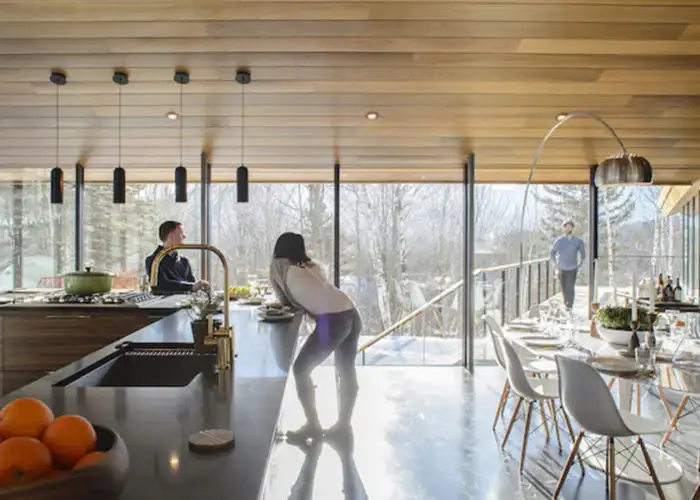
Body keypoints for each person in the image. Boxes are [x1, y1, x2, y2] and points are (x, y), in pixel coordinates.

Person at [269, 232, 361, 439]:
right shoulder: (311, 267)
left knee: (301, 369)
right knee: (345, 369)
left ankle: (313, 425)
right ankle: (343, 426)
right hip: (351, 313)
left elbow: (286, 302)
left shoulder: (283, 269)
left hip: (333, 320)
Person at [145, 220, 209, 294]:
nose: (184, 237)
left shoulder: (184, 261)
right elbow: (161, 285)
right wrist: (192, 287)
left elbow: (192, 284)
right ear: (171, 235)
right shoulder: (153, 260)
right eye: (182, 234)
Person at [549, 220, 586, 311]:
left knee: (570, 287)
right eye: (566, 227)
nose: (568, 228)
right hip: (561, 268)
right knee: (564, 288)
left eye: (570, 227)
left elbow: (583, 253)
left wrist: (580, 263)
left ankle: (569, 306)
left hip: (572, 268)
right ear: (564, 228)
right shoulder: (560, 241)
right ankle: (566, 304)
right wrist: (555, 264)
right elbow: (552, 252)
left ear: (573, 228)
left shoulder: (578, 241)